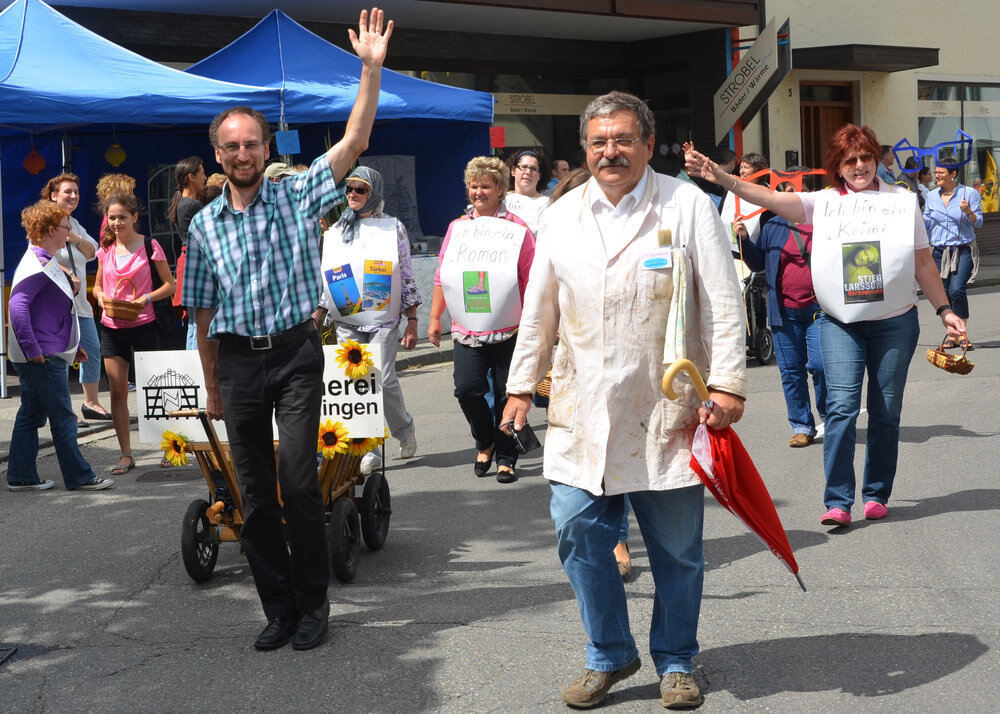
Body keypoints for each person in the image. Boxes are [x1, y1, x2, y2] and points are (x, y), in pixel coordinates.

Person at [503, 91, 746, 709]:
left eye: (623, 140)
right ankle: (609, 654)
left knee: (678, 552)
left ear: (646, 144)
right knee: (578, 532)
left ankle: (676, 658)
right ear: (584, 149)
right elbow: (539, 309)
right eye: (598, 142)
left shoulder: (686, 204)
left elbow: (722, 302)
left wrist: (727, 384)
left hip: (667, 404)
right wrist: (518, 386)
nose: (610, 152)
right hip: (582, 406)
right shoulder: (561, 215)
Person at [182, 8, 393, 653]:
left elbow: (355, 141)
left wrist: (370, 69)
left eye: (252, 144)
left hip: (298, 355)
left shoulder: (301, 194)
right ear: (218, 155)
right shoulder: (204, 226)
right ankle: (277, 608)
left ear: (266, 148)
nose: (243, 154)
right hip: (241, 366)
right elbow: (203, 316)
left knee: (299, 483)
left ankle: (313, 604)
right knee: (251, 497)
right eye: (231, 146)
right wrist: (213, 387)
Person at [686, 123, 965, 526]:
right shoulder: (823, 202)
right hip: (839, 323)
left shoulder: (904, 202)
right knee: (841, 408)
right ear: (837, 165)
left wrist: (945, 310)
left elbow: (923, 263)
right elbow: (765, 196)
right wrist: (721, 176)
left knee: (886, 413)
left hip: (895, 323)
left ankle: (875, 494)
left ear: (874, 160)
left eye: (866, 157)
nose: (859, 166)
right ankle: (837, 500)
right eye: (850, 160)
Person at [428, 156, 535, 484]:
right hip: (468, 329)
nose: (478, 192)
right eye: (473, 186)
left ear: (500, 189)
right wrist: (434, 318)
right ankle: (485, 438)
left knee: (506, 393)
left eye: (485, 186)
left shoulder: (518, 230)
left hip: (510, 329)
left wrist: (538, 324)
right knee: (467, 389)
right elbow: (442, 276)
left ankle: (506, 455)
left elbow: (531, 278)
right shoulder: (457, 229)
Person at [315, 166, 421, 473]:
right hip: (347, 319)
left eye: (359, 190)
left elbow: (407, 274)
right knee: (357, 384)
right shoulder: (336, 231)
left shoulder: (392, 227)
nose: (352, 195)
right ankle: (371, 447)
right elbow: (330, 277)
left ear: (373, 193)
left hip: (382, 320)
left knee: (383, 379)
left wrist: (412, 319)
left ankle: (404, 429)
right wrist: (320, 312)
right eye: (349, 189)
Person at [7, 200, 112, 492]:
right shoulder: (38, 264)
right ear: (51, 229)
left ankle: (20, 474)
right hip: (43, 355)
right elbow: (18, 307)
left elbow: (50, 311)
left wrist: (71, 343)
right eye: (65, 227)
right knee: (63, 416)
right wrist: (33, 348)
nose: (69, 230)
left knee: (32, 414)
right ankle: (79, 477)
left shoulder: (44, 259)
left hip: (47, 351)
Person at [737, 168, 826, 447]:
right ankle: (801, 425)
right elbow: (757, 264)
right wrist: (743, 239)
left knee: (821, 366)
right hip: (783, 311)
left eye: (794, 190)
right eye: (785, 191)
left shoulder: (823, 222)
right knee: (791, 371)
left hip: (819, 310)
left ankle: (830, 417)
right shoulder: (773, 224)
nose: (788, 196)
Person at [92, 193, 175, 476]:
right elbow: (98, 287)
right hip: (112, 326)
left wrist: (146, 299)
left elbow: (170, 285)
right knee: (117, 390)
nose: (117, 223)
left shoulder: (150, 245)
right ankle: (126, 453)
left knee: (155, 389)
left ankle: (169, 446)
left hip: (144, 324)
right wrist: (101, 297)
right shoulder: (105, 250)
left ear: (134, 217)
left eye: (122, 217)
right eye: (112, 218)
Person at [42, 173, 112, 424]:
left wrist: (73, 237)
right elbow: (39, 256)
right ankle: (63, 410)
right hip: (58, 306)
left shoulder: (75, 224)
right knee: (62, 356)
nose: (73, 196)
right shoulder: (45, 222)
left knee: (92, 349)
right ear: (53, 195)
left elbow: (94, 251)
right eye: (67, 192)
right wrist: (67, 273)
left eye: (76, 192)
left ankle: (91, 403)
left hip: (80, 304)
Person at [923, 161, 983, 348]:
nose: (936, 175)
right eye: (936, 172)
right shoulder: (932, 196)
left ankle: (962, 333)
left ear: (953, 174)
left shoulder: (968, 194)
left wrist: (968, 212)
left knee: (957, 290)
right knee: (945, 294)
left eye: (941, 172)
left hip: (962, 249)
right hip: (939, 252)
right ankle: (952, 334)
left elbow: (978, 222)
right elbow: (926, 221)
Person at [168, 156, 206, 352]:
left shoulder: (185, 203)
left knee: (194, 323)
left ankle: (193, 371)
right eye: (202, 173)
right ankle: (196, 371)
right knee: (199, 322)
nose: (205, 177)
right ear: (191, 177)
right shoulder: (191, 205)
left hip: (190, 263)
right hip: (195, 264)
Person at [504, 150, 550, 235]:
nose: (528, 172)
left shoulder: (547, 204)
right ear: (513, 171)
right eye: (524, 167)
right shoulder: (502, 200)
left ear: (539, 175)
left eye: (533, 168)